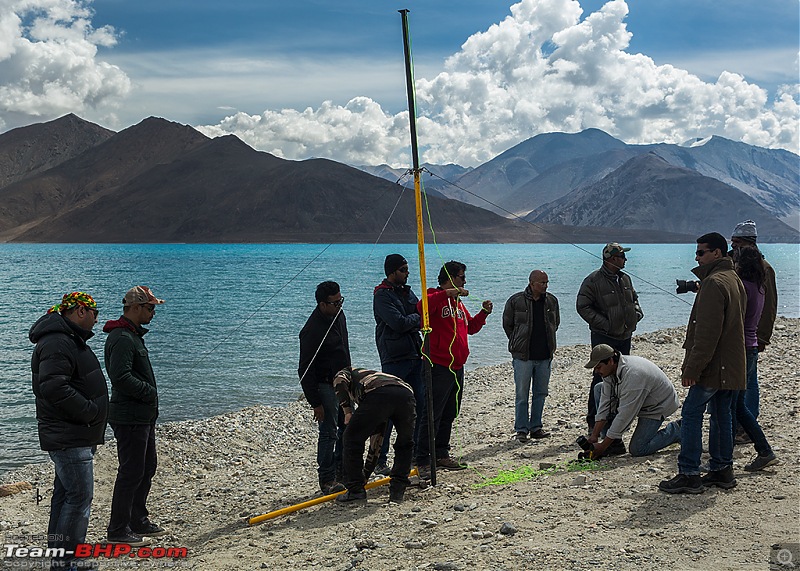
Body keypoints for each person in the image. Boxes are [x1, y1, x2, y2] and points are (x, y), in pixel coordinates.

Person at [659, 233, 746, 494]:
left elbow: (707, 334)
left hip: (714, 366)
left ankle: (689, 472)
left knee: (691, 414)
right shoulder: (733, 279)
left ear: (716, 253)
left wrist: (692, 369)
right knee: (721, 415)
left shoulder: (714, 283)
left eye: (701, 252)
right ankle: (722, 469)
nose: (696, 257)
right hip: (730, 364)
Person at [30, 292, 108, 571]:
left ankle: (62, 559)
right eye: (94, 313)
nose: (97, 319)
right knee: (78, 499)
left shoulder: (66, 338)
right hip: (70, 435)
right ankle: (68, 560)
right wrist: (89, 411)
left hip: (74, 434)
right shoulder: (58, 341)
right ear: (80, 311)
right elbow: (52, 386)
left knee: (65, 497)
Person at [415, 261, 492, 479]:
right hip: (437, 364)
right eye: (461, 277)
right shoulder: (435, 296)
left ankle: (441, 453)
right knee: (431, 414)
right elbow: (421, 307)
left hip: (457, 366)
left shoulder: (458, 304)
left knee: (450, 412)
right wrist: (448, 293)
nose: (464, 281)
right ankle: (422, 459)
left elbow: (472, 328)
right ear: (450, 278)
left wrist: (484, 313)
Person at [105, 286, 166, 545]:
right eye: (150, 308)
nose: (153, 313)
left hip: (141, 415)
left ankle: (137, 519)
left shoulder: (132, 336)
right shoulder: (121, 338)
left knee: (146, 467)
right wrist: (149, 392)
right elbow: (120, 377)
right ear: (136, 307)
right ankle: (118, 529)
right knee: (131, 472)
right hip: (129, 417)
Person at [577, 243, 644, 438]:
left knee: (622, 376)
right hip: (603, 337)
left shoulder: (625, 279)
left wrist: (637, 314)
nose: (625, 260)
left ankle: (616, 420)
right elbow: (582, 306)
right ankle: (593, 421)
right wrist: (604, 324)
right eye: (623, 256)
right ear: (612, 258)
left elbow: (634, 299)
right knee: (600, 377)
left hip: (625, 335)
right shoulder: (592, 281)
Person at [332, 367, 416, 504]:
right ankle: (397, 491)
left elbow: (339, 379)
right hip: (406, 393)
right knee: (405, 442)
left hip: (379, 392)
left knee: (351, 438)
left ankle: (355, 491)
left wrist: (347, 411)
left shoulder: (349, 371)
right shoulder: (372, 376)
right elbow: (376, 445)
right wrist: (365, 476)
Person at [372, 254, 423, 476]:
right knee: (389, 411)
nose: (407, 273)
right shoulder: (381, 296)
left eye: (407, 269)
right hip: (394, 358)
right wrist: (415, 320)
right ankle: (379, 459)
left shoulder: (407, 292)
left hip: (414, 354)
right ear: (392, 272)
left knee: (417, 408)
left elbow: (420, 313)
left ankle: (413, 454)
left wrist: (414, 320)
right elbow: (399, 322)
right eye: (403, 269)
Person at [299, 281, 351, 495]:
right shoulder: (311, 330)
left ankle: (342, 472)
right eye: (334, 302)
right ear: (322, 304)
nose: (339, 305)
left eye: (341, 300)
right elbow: (304, 369)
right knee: (328, 432)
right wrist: (315, 403)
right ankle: (327, 479)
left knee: (348, 425)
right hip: (323, 385)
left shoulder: (338, 315)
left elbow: (344, 348)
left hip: (342, 381)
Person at [583, 345, 681, 458]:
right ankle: (615, 445)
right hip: (641, 399)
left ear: (610, 361)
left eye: (598, 367)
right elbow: (606, 403)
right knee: (599, 389)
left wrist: (602, 446)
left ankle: (677, 430)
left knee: (638, 449)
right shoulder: (611, 369)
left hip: (658, 405)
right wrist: (594, 436)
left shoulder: (633, 377)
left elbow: (625, 416)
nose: (596, 371)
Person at [731, 247, 779, 471]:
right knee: (738, 402)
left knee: (733, 403)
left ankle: (761, 450)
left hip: (740, 348)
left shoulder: (743, 289)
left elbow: (733, 319)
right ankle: (762, 450)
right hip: (750, 346)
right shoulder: (759, 286)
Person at [729, 219, 778, 427]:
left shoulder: (764, 269)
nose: (733, 247)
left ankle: (747, 424)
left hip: (751, 335)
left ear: (749, 243)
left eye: (737, 243)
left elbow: (769, 306)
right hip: (733, 335)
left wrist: (763, 336)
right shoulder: (732, 266)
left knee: (750, 382)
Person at [502, 269, 560, 442]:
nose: (545, 286)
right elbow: (508, 325)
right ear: (532, 283)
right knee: (522, 394)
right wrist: (517, 342)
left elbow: (555, 323)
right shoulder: (516, 301)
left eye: (547, 282)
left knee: (541, 393)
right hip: (523, 356)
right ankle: (521, 429)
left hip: (544, 355)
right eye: (542, 283)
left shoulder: (551, 301)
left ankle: (536, 427)